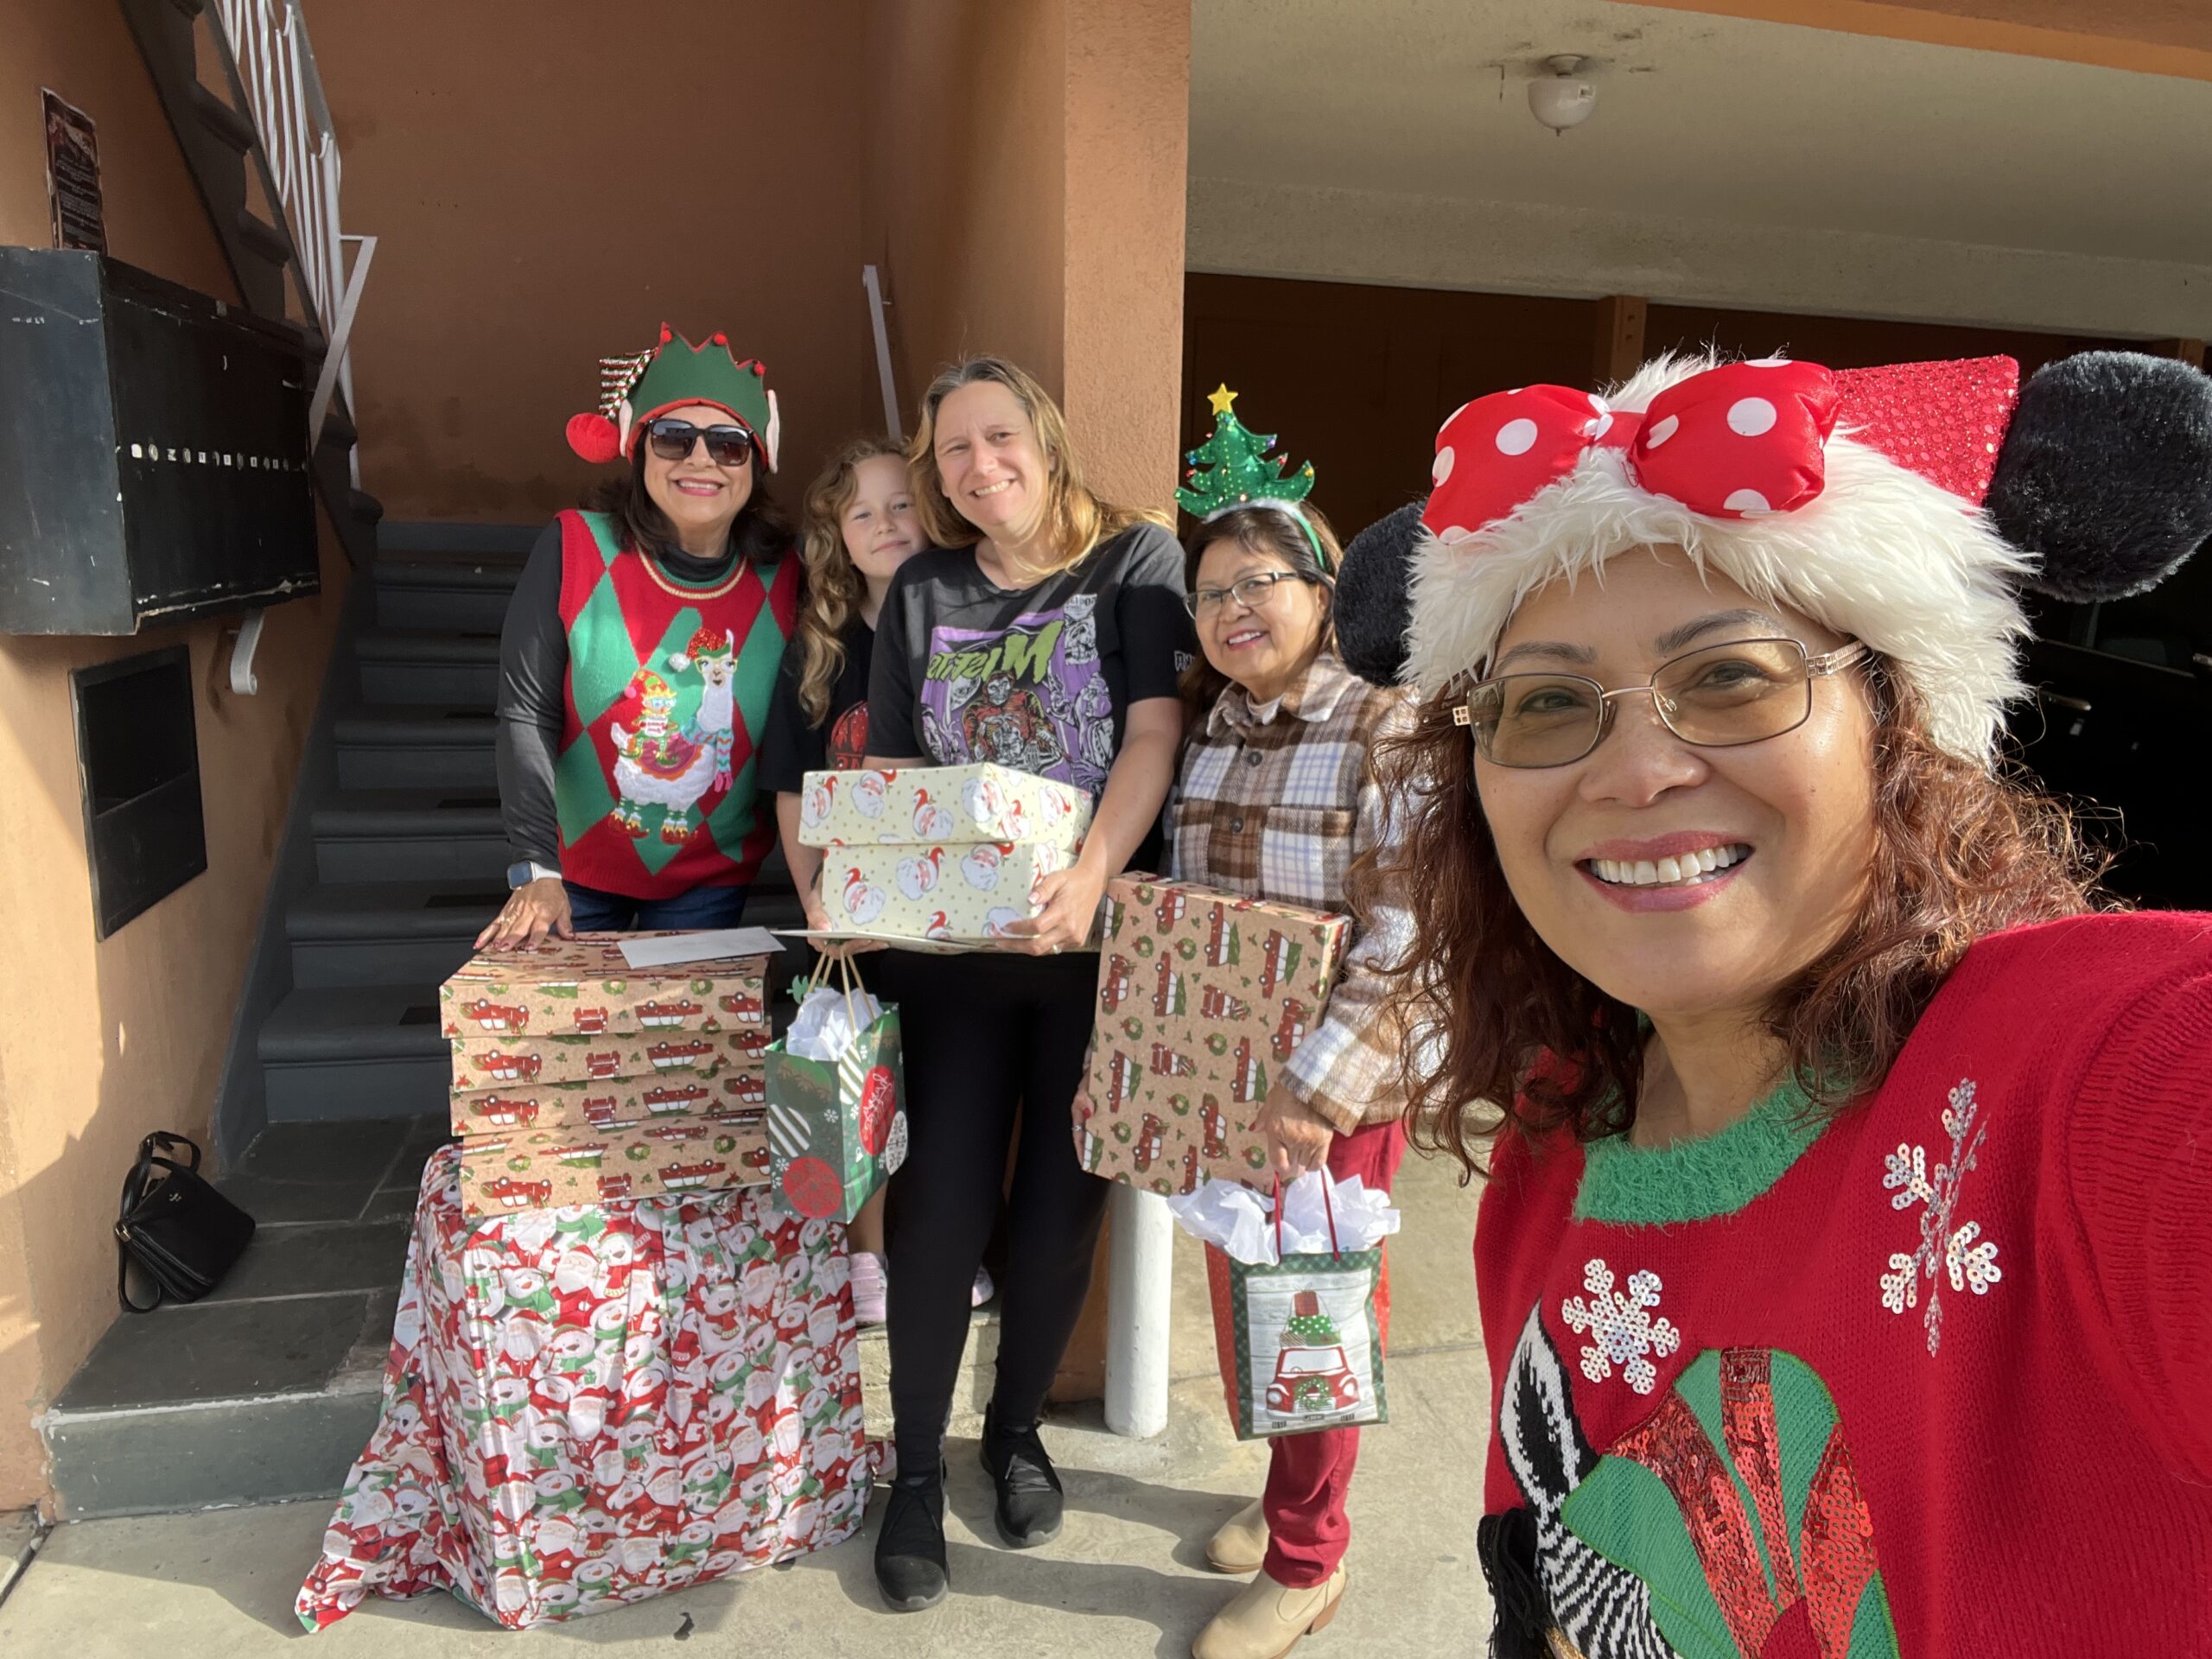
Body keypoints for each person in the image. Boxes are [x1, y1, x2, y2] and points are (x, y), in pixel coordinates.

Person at [1332, 352, 2212, 1656]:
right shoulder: (1559, 1120)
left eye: (1732, 678)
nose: (1634, 770)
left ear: (1901, 729)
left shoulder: (2087, 1078)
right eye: (1548, 704)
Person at [863, 355, 1195, 1612]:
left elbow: (1154, 728)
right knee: (939, 1216)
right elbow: (898, 768)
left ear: (1045, 442)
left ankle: (1013, 1437)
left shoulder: (1135, 562)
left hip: (1092, 958)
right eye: (953, 448)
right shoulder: (924, 590)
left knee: (1061, 1220)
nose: (979, 464)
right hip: (952, 963)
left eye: (999, 436)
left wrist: (1091, 876)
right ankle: (913, 1472)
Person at [1164, 391, 1414, 1659]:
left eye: (1259, 581)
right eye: (1210, 592)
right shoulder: (1211, 731)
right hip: (1227, 1087)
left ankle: (1309, 1561)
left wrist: (1317, 1091)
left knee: (1312, 1317)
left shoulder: (1384, 724)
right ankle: (1283, 1504)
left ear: (1321, 590)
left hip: (1330, 1099)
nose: (1232, 609)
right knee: (1251, 1306)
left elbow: (1412, 934)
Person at [759, 435, 989, 1321]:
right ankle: (865, 1257)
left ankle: (939, 1250)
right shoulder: (820, 649)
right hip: (855, 910)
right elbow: (793, 787)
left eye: (903, 505)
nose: (887, 524)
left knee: (946, 1086)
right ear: (838, 538)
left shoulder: (973, 628)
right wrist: (816, 899)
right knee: (863, 1075)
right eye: (863, 513)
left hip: (953, 906)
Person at [480, 327, 799, 950]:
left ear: (758, 461)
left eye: (729, 444)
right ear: (638, 449)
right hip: (570, 877)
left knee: (681, 1020)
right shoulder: (575, 547)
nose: (701, 460)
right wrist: (535, 869)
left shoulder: (790, 577)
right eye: (674, 437)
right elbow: (525, 713)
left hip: (710, 882)